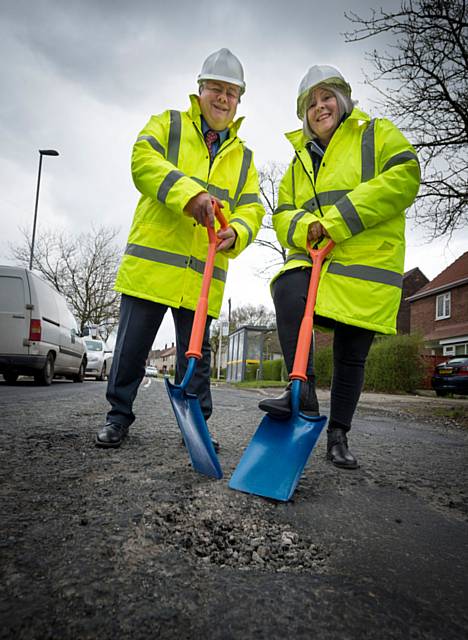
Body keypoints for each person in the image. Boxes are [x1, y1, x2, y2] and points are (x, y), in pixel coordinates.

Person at [96, 48, 264, 450]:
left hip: (202, 276)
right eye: (217, 89)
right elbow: (142, 160)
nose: (224, 99)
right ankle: (118, 418)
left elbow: (253, 207)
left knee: (197, 359)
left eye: (232, 93)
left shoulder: (244, 158)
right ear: (200, 90)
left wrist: (237, 231)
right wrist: (190, 195)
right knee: (131, 351)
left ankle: (198, 428)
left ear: (239, 100)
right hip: (151, 271)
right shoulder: (168, 125)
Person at [259, 64, 420, 469]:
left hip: (366, 266)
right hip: (319, 264)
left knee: (352, 353)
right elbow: (281, 215)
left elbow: (405, 175)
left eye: (326, 97)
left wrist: (335, 221)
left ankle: (338, 436)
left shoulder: (375, 133)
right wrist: (307, 227)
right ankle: (303, 389)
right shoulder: (298, 162)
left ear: (342, 100)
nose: (320, 107)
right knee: (286, 287)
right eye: (311, 103)